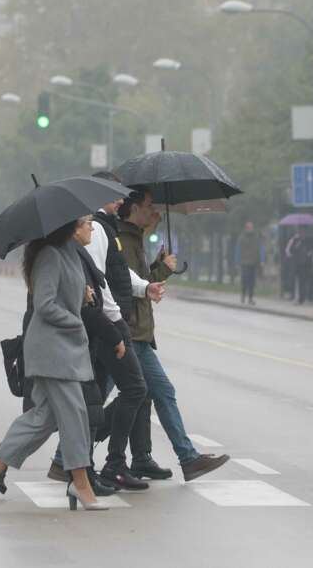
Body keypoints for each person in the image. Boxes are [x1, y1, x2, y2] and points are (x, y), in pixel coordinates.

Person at [0, 218, 108, 511]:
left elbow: (62, 295)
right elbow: (45, 304)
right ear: (71, 227)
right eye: (86, 223)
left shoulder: (69, 254)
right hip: (51, 350)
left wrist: (81, 297)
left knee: (43, 418)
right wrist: (75, 321)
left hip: (62, 350)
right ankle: (81, 482)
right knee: (75, 414)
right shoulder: (50, 255)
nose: (92, 228)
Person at [116, 189, 231, 481]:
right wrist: (163, 271)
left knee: (140, 396)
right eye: (148, 206)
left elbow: (140, 281)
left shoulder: (134, 239)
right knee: (155, 392)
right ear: (133, 209)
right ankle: (187, 458)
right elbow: (131, 286)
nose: (154, 211)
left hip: (136, 332)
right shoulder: (125, 242)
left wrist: (157, 266)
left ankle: (141, 458)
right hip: (131, 332)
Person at [86, 172, 166, 491]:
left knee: (99, 395)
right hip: (108, 323)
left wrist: (145, 287)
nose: (122, 199)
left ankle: (80, 464)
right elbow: (100, 282)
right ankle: (112, 465)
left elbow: (119, 271)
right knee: (135, 389)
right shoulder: (96, 229)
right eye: (116, 194)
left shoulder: (107, 228)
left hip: (109, 321)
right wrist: (116, 325)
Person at [236, 221, 263, 305]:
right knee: (245, 280)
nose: (250, 229)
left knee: (252, 281)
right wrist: (237, 261)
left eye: (251, 227)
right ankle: (243, 295)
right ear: (246, 228)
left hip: (253, 262)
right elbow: (238, 250)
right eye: (249, 227)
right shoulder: (242, 238)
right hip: (244, 262)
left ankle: (250, 298)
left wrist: (261, 261)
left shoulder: (256, 237)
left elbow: (259, 249)